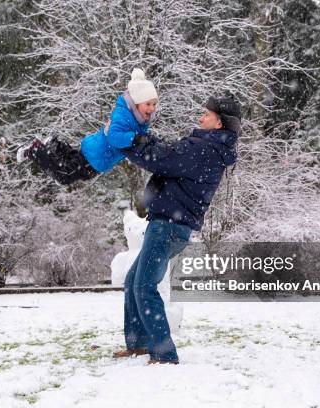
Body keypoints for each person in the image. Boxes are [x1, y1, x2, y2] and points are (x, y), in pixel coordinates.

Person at [111, 96, 242, 365]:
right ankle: (139, 344)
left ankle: (164, 354)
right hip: (168, 224)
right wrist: (143, 139)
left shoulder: (206, 148)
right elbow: (168, 153)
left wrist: (129, 141)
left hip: (169, 226)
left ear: (219, 123)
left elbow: (162, 159)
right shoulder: (205, 146)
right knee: (134, 281)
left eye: (206, 114)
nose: (200, 117)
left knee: (144, 286)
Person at [16, 68, 158, 185]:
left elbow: (138, 138)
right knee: (63, 176)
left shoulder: (137, 119)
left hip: (95, 155)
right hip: (95, 156)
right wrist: (135, 138)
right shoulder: (124, 115)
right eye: (148, 104)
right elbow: (114, 136)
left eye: (154, 104)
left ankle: (55, 144)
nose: (152, 108)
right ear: (137, 102)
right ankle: (35, 150)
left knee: (69, 162)